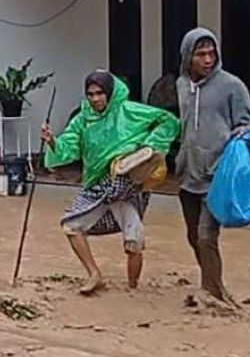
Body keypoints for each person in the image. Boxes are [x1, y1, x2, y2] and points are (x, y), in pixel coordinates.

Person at [41, 71, 180, 295]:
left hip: (127, 185)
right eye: (91, 94)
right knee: (71, 225)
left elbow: (168, 121)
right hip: (99, 185)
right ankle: (94, 274)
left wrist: (153, 143)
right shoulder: (82, 121)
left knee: (134, 240)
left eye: (100, 93)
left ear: (110, 93)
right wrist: (53, 142)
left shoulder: (130, 111)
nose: (95, 99)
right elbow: (68, 146)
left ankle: (133, 289)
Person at [176, 28, 250, 302]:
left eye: (211, 53)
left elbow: (248, 123)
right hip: (188, 173)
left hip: (217, 174)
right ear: (188, 57)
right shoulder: (181, 86)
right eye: (200, 54)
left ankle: (215, 293)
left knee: (206, 236)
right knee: (192, 236)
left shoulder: (232, 86)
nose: (207, 59)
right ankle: (209, 282)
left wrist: (244, 131)